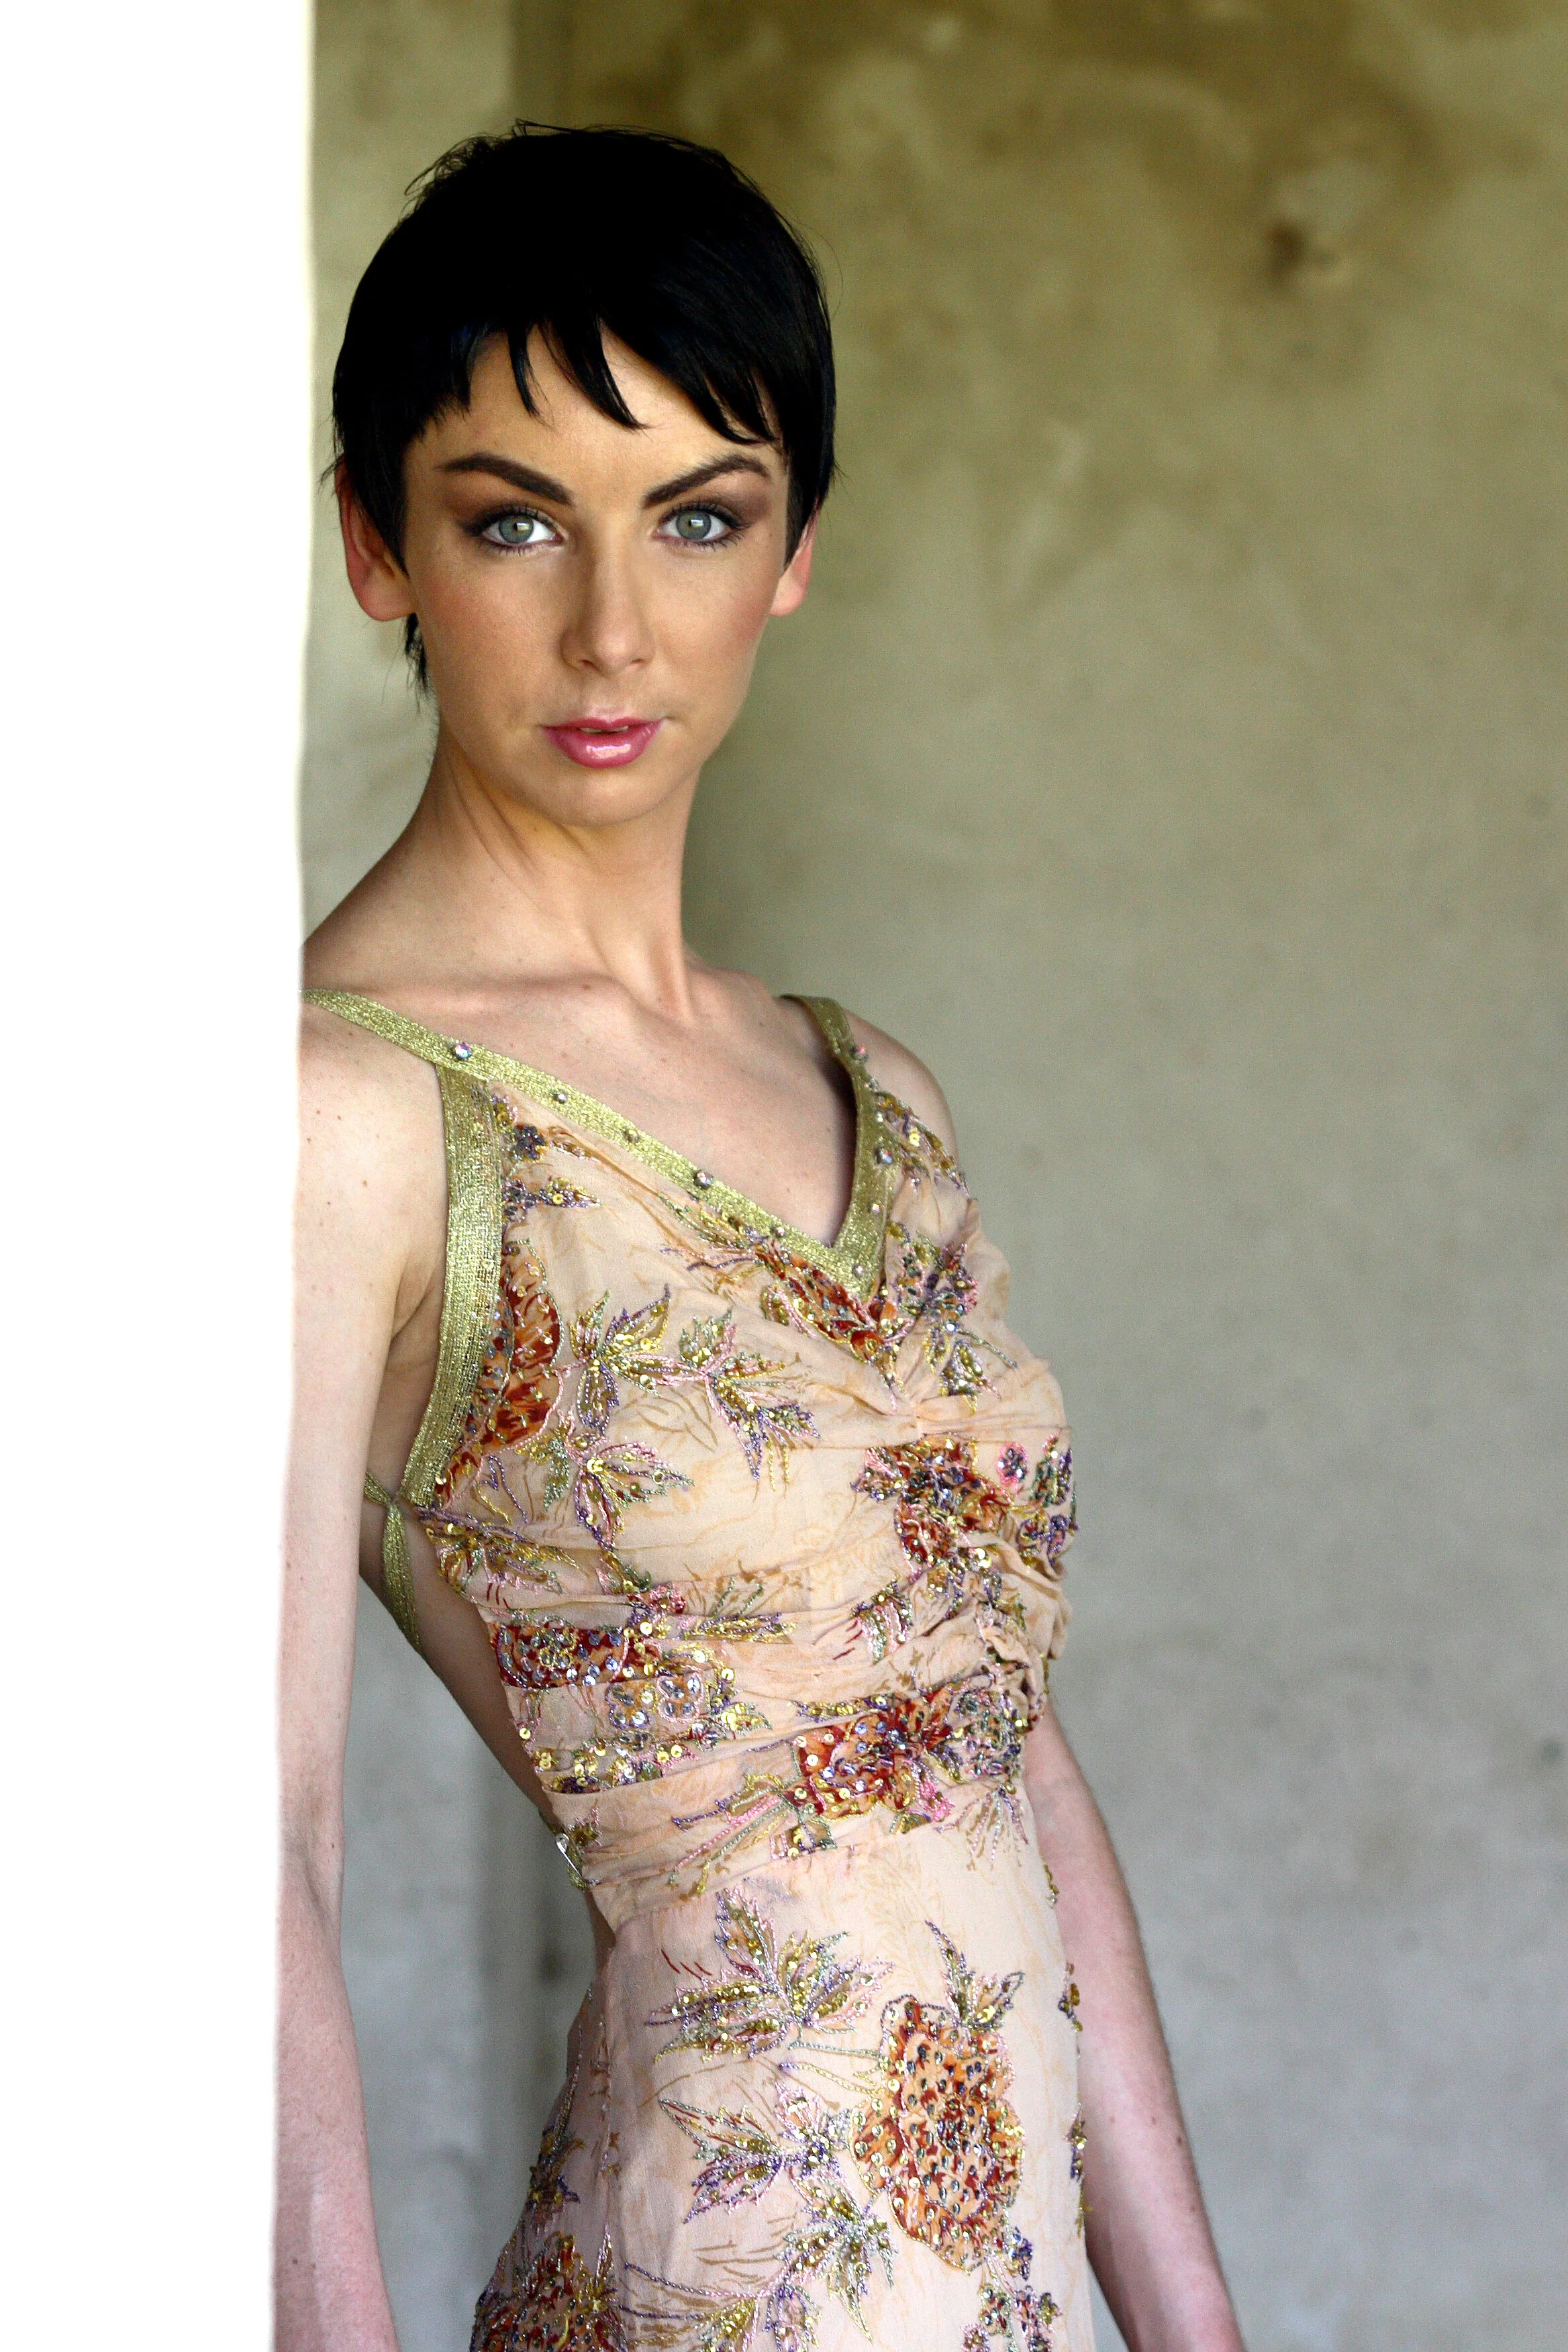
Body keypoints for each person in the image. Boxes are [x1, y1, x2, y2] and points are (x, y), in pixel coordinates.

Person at [282, 124, 1246, 2352]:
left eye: (697, 517)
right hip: (715, 2289)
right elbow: (259, 1857)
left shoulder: (868, 1087)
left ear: (792, 547)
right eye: (513, 520)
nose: (615, 628)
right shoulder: (342, 1119)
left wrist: (1193, 2324)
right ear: (375, 548)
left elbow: (995, 1737)